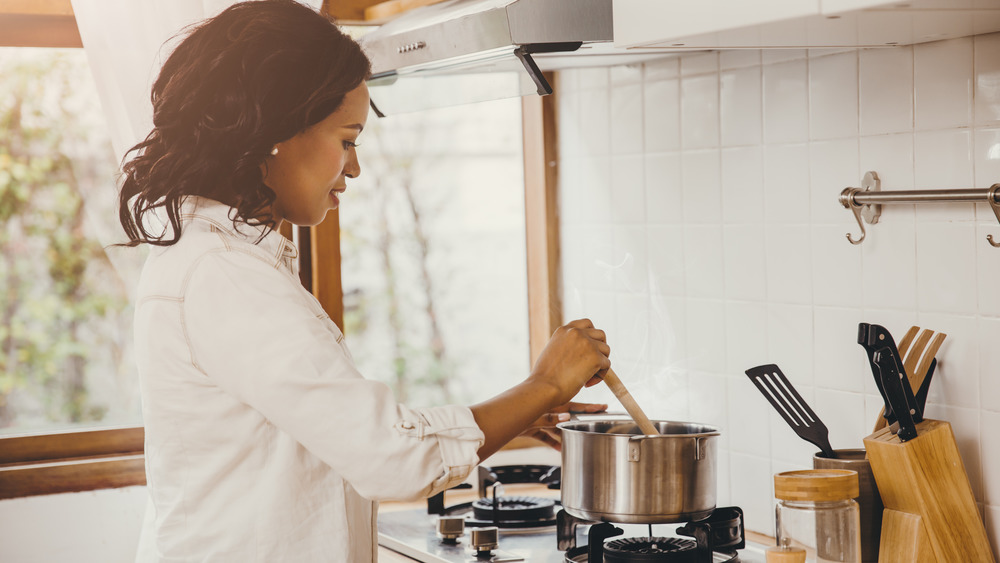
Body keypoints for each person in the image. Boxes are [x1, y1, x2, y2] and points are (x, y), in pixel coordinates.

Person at [118, 1, 611, 561]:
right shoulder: (224, 275)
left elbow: (345, 432)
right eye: (348, 138)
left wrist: (522, 406)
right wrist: (545, 384)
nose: (354, 168)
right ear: (274, 133)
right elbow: (394, 458)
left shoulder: (223, 261)